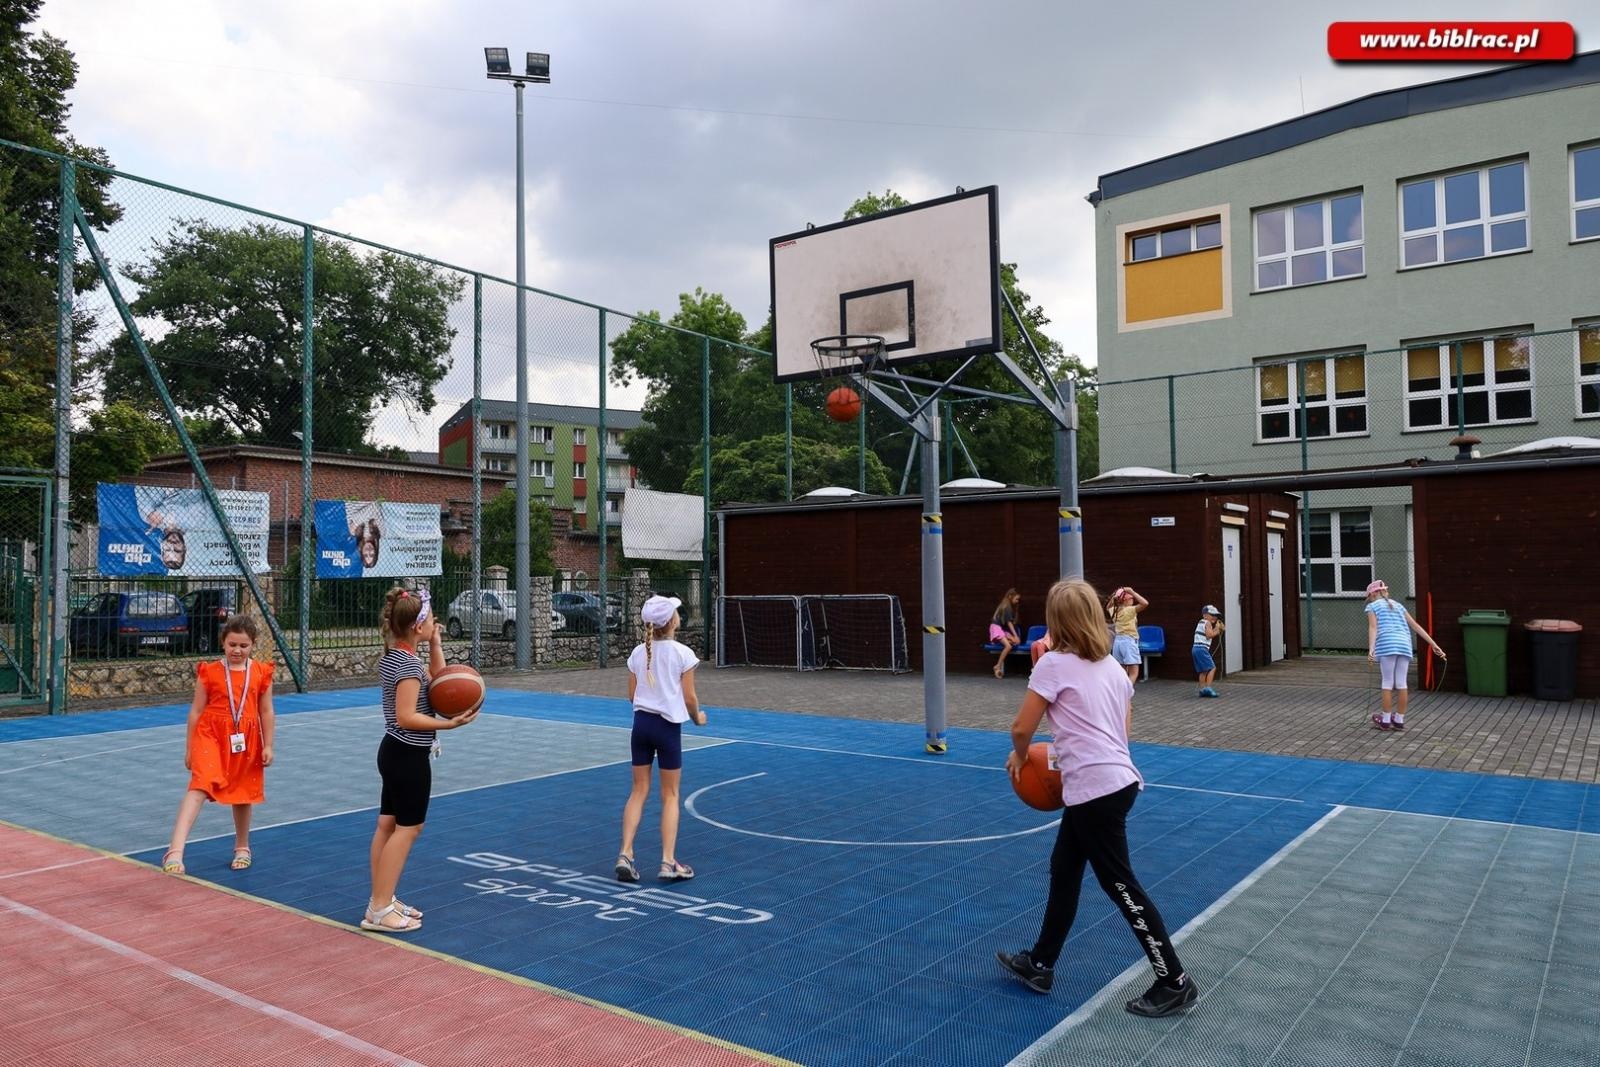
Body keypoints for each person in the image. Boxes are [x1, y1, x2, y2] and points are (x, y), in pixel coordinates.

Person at [996, 579, 1197, 1017]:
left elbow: (1021, 729)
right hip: (1116, 780)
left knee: (1121, 886)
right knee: (1064, 870)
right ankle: (1041, 963)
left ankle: (1174, 980)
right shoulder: (1113, 670)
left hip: (1095, 791)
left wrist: (1019, 757)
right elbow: (1119, 735)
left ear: (1055, 620)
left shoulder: (1052, 665)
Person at [364, 588, 479, 933]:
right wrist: (448, 724)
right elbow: (406, 716)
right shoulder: (409, 666)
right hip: (408, 755)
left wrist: (437, 645)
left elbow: (440, 684)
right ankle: (381, 908)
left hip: (394, 752)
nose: (435, 622)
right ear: (417, 626)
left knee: (387, 826)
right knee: (409, 828)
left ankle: (380, 901)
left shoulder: (396, 656)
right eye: (430, 619)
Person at [162, 615, 275, 875]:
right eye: (232, 644)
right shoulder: (209, 672)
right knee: (199, 785)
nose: (237, 650)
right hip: (210, 734)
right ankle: (175, 851)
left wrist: (268, 745)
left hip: (245, 738)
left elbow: (266, 711)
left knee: (243, 792)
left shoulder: (261, 672)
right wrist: (189, 747)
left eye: (243, 646)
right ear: (223, 643)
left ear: (252, 645)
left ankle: (242, 847)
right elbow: (195, 711)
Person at [616, 594, 707, 884]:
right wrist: (697, 717)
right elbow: (690, 697)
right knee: (670, 796)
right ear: (672, 621)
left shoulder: (638, 653)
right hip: (667, 729)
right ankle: (668, 862)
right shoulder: (683, 654)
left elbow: (632, 695)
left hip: (640, 725)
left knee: (638, 791)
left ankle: (625, 854)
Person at [1365, 579, 1445, 731]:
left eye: (1369, 596)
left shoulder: (1372, 606)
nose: (1369, 599)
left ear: (1374, 593)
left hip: (1387, 645)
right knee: (1402, 683)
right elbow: (1415, 626)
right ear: (1385, 592)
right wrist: (1434, 644)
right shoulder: (1399, 606)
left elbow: (1373, 628)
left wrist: (1371, 649)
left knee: (1387, 683)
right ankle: (1399, 719)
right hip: (1404, 645)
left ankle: (1386, 719)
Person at [1106, 587, 1149, 684]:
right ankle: (1127, 693)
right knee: (1134, 672)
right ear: (1125, 600)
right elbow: (1145, 603)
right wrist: (1132, 592)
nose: (1133, 600)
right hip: (1129, 641)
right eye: (1131, 598)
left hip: (1117, 642)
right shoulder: (1129, 610)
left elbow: (1108, 607)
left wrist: (1115, 595)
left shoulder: (1114, 610)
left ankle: (1120, 693)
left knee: (1122, 672)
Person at [1192, 604, 1225, 698]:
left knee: (1204, 671)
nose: (1214, 617)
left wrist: (1216, 629)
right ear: (1205, 615)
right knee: (1212, 668)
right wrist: (1218, 630)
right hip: (1202, 649)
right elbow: (1209, 635)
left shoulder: (1201, 622)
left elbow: (1208, 633)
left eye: (1215, 615)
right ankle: (1208, 688)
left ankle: (1202, 689)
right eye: (1212, 614)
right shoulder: (1208, 623)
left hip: (1196, 648)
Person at [990, 588, 1023, 678]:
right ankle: (998, 665)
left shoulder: (1005, 606)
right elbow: (1009, 623)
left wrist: (1014, 638)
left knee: (1015, 642)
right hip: (996, 628)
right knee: (1008, 646)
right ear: (1010, 596)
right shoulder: (1006, 607)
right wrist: (1015, 635)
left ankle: (1009, 641)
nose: (1017, 601)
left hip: (1000, 629)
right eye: (1016, 599)